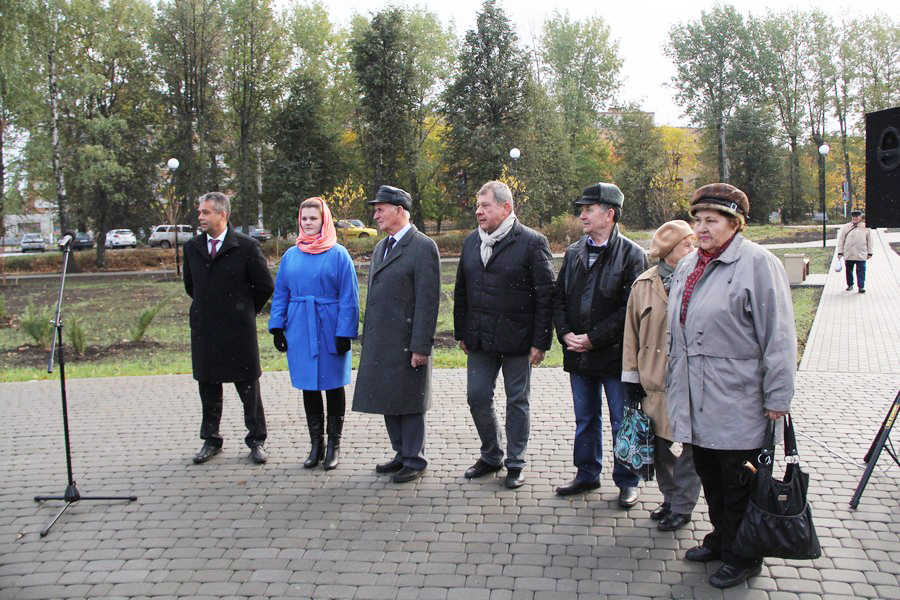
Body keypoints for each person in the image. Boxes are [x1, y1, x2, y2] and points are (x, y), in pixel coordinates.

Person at [666, 183, 796, 589]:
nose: (702, 228)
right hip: (696, 396)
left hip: (740, 399)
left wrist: (778, 398)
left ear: (735, 224)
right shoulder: (691, 265)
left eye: (712, 220)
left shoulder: (759, 264)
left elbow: (779, 337)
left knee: (739, 482)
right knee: (710, 476)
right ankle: (723, 540)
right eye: (698, 220)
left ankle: (744, 556)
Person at [453, 181, 555, 489]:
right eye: (477, 206)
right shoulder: (471, 242)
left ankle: (515, 462)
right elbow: (461, 291)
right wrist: (462, 332)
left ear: (505, 208)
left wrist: (541, 341)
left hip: (518, 340)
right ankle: (491, 454)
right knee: (477, 396)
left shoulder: (532, 242)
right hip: (480, 339)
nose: (478, 211)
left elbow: (545, 295)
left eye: (485, 206)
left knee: (517, 401)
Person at [552, 182, 648, 507]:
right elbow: (559, 297)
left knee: (623, 420)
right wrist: (566, 334)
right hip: (579, 355)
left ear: (609, 213)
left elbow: (630, 309)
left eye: (588, 209)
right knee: (585, 419)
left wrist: (593, 339)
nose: (582, 215)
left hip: (616, 357)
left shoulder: (633, 255)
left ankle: (628, 481)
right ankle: (586, 474)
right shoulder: (575, 251)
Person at [352, 185, 441, 484]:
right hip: (382, 340)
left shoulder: (422, 246)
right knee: (389, 397)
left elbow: (428, 302)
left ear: (400, 211)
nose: (375, 214)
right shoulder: (382, 246)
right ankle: (401, 453)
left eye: (381, 209)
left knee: (410, 400)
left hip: (407, 341)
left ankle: (415, 459)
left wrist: (421, 346)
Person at [183, 192, 275, 465]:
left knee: (248, 387)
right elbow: (191, 286)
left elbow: (265, 285)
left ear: (223, 215)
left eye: (206, 212)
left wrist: (245, 310)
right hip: (206, 330)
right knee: (208, 386)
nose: (200, 217)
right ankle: (211, 439)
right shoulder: (192, 247)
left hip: (238, 330)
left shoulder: (246, 247)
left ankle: (256, 440)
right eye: (200, 212)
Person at [268, 197, 359, 470]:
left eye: (313, 218)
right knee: (309, 385)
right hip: (300, 327)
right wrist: (277, 326)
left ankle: (334, 445)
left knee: (332, 386)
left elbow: (349, 297)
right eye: (304, 219)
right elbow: (281, 292)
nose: (308, 223)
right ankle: (315, 444)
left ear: (324, 221)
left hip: (330, 326)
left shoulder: (338, 254)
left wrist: (345, 332)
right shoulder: (290, 255)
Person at [621, 220, 701, 531]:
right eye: (686, 245)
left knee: (692, 448)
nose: (692, 250)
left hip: (691, 383)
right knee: (660, 445)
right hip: (653, 384)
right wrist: (630, 379)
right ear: (668, 252)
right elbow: (632, 335)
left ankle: (682, 506)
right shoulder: (643, 285)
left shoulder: (700, 278)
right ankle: (670, 499)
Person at [837, 209, 873, 293]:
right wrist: (840, 252)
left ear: (860, 217)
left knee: (861, 271)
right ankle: (850, 285)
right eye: (853, 216)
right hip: (849, 253)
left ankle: (861, 286)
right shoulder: (846, 227)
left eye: (857, 216)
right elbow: (841, 240)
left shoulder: (866, 227)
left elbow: (870, 241)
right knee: (848, 270)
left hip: (861, 253)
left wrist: (870, 252)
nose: (855, 218)